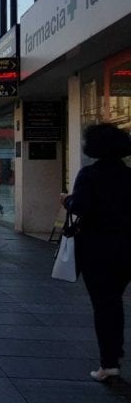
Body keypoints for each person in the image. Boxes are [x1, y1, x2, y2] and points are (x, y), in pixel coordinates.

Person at [60, 123, 131, 382]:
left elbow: (79, 206)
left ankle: (109, 362)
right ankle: (115, 353)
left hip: (97, 249)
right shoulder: (128, 175)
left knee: (104, 303)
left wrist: (66, 200)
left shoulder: (89, 175)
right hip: (127, 246)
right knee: (114, 300)